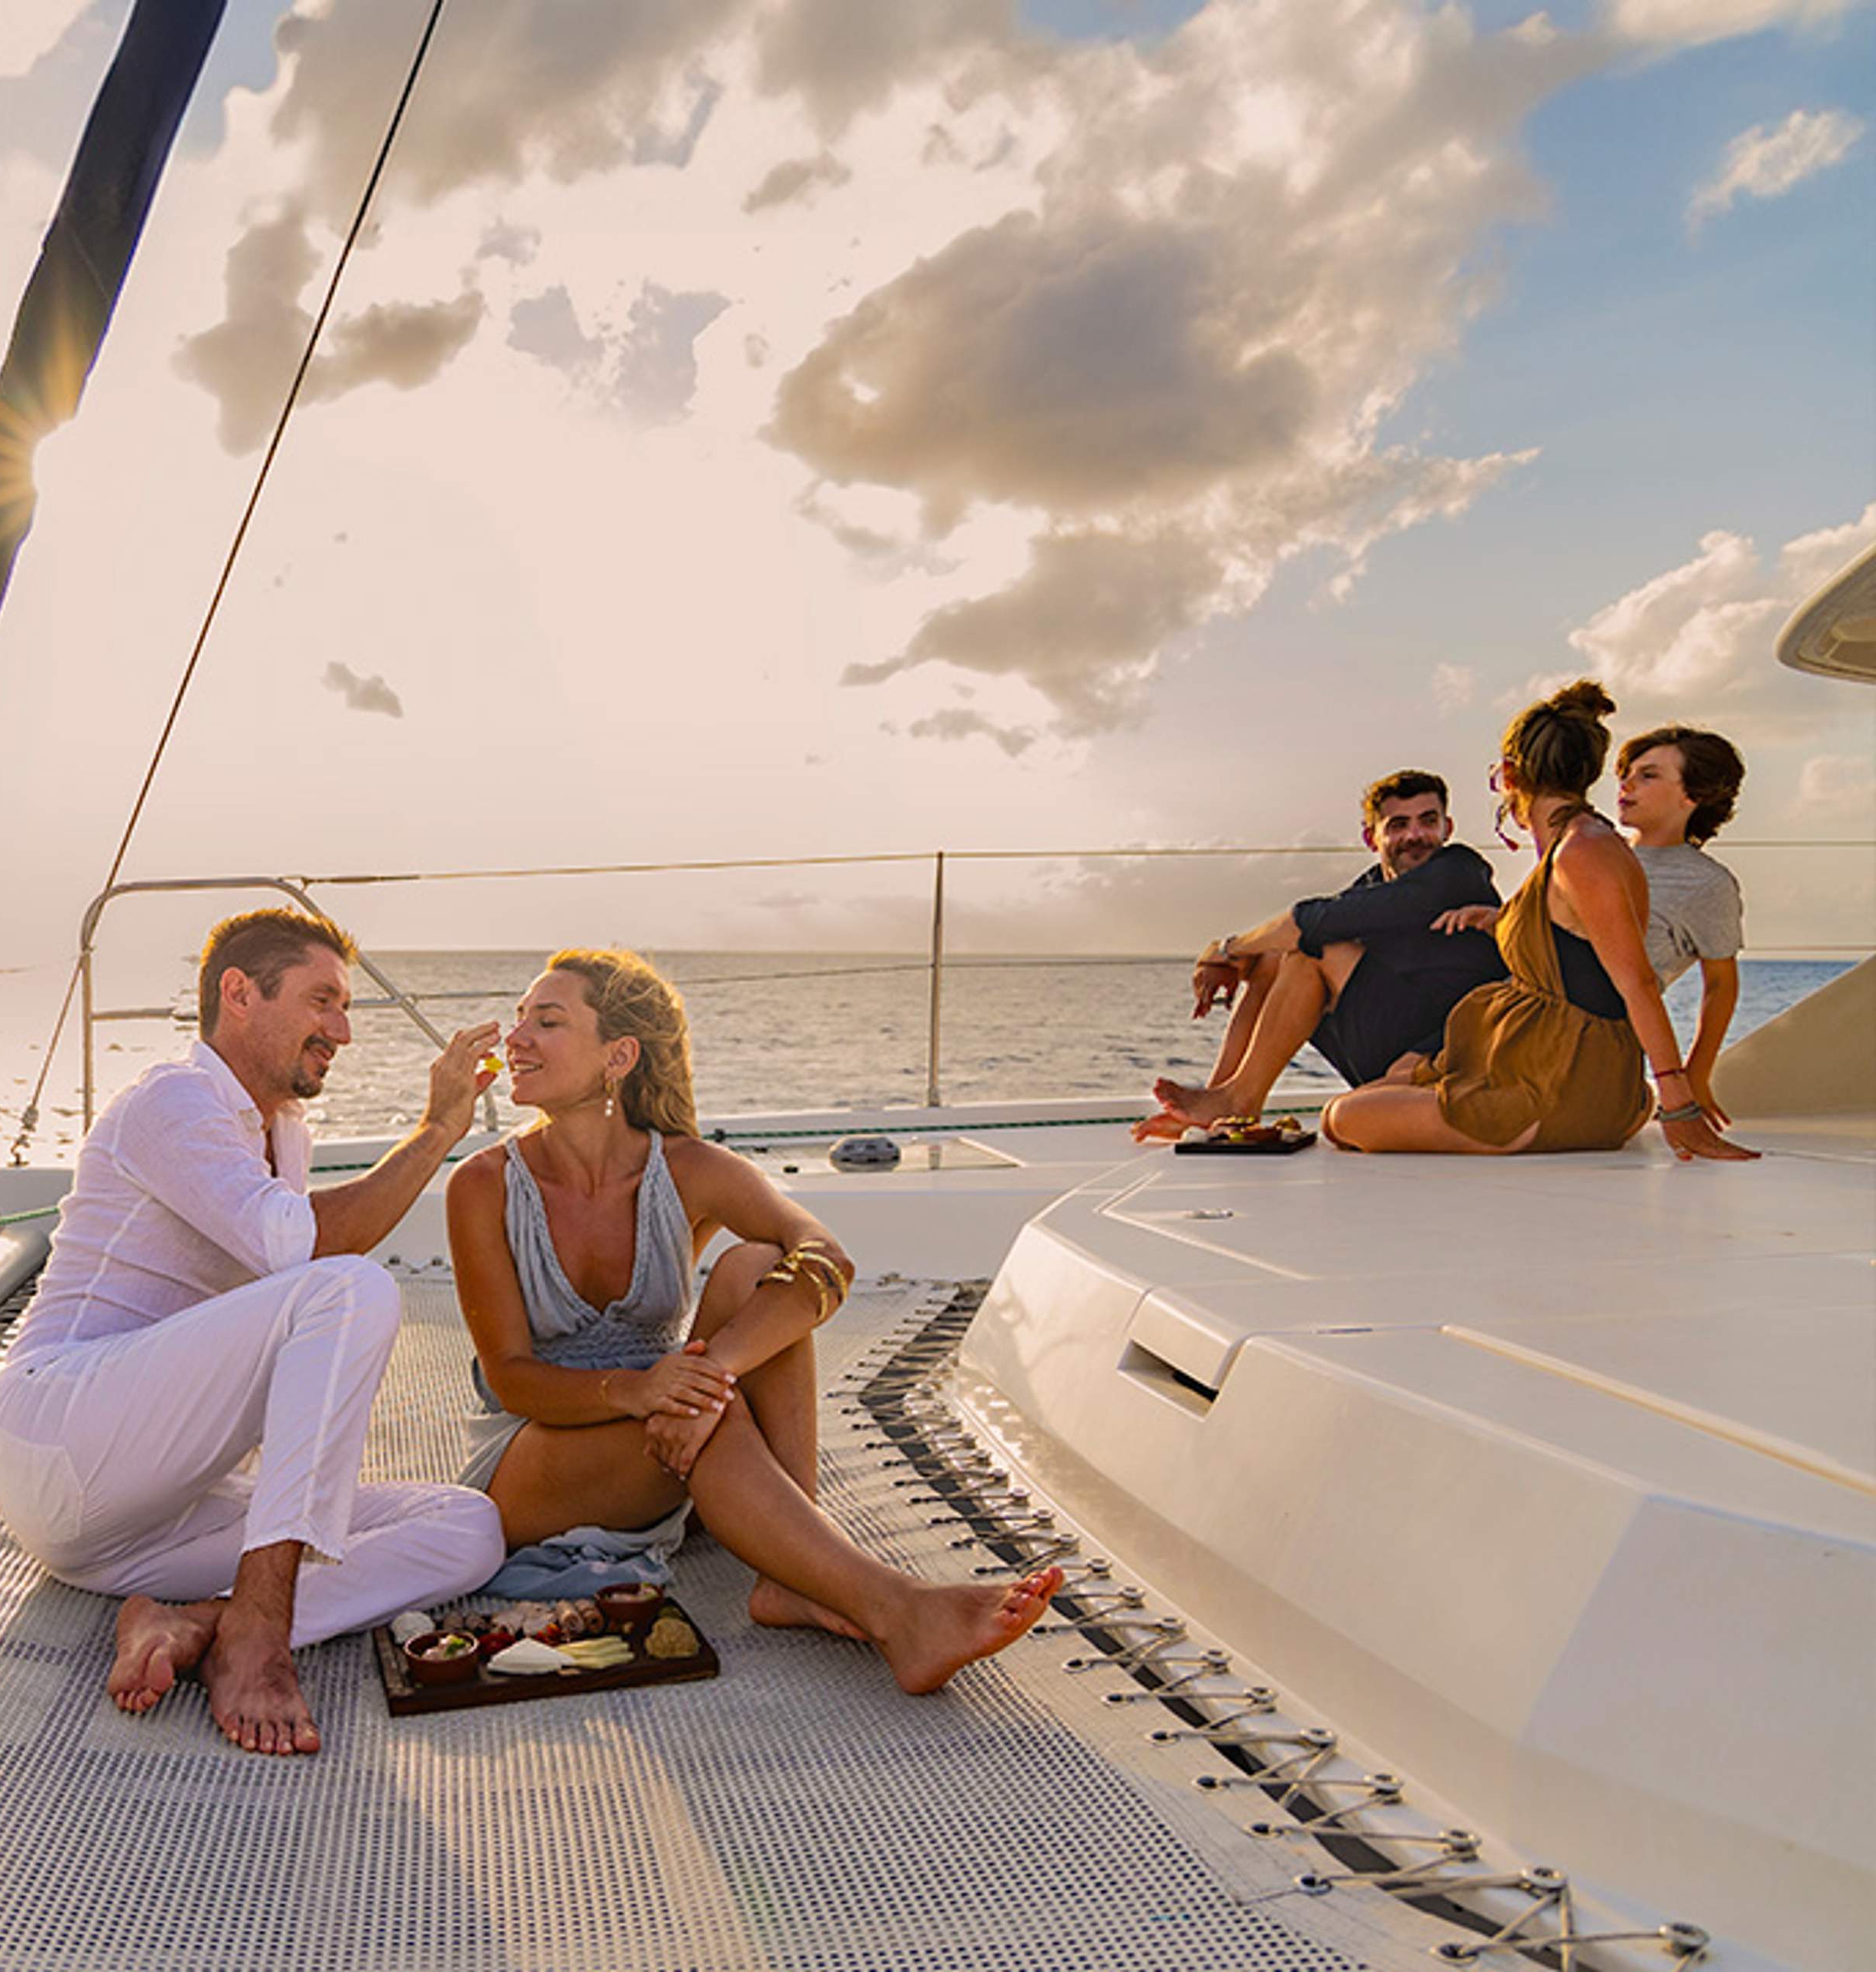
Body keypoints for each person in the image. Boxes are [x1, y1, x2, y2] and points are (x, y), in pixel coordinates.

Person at [446, 949, 1062, 1697]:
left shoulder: (686, 1168)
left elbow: (825, 1259)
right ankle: (893, 1607)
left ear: (620, 1056)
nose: (517, 1038)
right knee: (706, 1402)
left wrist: (716, 1367)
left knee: (756, 1265)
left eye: (546, 1021)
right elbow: (512, 1379)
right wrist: (645, 1391)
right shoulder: (483, 1185)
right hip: (533, 1459)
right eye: (519, 1020)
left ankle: (791, 1569)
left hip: (672, 1425)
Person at [0, 908, 509, 1757]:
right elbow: (304, 1248)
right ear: (238, 993)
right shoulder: (173, 1100)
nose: (341, 1029)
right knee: (348, 1287)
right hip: (61, 1435)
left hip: (147, 1523)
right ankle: (261, 1628)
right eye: (322, 999)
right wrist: (439, 1129)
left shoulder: (284, 1136)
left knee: (468, 1527)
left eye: (346, 1009)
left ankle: (197, 1623)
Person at [1321, 683, 1757, 1161]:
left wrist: (1680, 1108)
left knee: (1342, 1119)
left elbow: (1637, 983)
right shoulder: (1581, 845)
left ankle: (1594, 1110)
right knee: (1384, 1087)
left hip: (1557, 1083)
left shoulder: (1583, 850)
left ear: (1509, 774)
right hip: (1542, 1059)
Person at [1136, 771, 1507, 1139]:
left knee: (1312, 948)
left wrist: (1221, 951)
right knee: (1273, 958)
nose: (1415, 836)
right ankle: (1218, 1099)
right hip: (1388, 1046)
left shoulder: (1459, 870)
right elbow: (1301, 929)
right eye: (1398, 825)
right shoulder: (1371, 887)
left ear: (1448, 827)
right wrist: (1240, 960)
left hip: (1447, 1052)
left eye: (1429, 821)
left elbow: (1309, 924)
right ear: (1370, 837)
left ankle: (1238, 1099)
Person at [1619, 725, 1750, 1129]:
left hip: (1601, 1048)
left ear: (1691, 796)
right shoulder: (1592, 853)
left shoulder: (1707, 885)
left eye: (1649, 775)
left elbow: (1720, 984)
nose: (1626, 783)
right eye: (1627, 772)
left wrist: (1694, 1078)